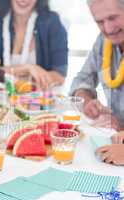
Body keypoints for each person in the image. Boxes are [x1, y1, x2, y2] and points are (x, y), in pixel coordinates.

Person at [70, 0, 124, 165]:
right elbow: (81, 81)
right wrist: (87, 101)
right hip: (114, 137)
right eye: (100, 21)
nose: (108, 29)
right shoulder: (104, 41)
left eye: (113, 18)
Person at [0, 0, 68, 89]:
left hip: (39, 100)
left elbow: (60, 76)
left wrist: (15, 78)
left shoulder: (52, 21)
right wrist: (27, 68)